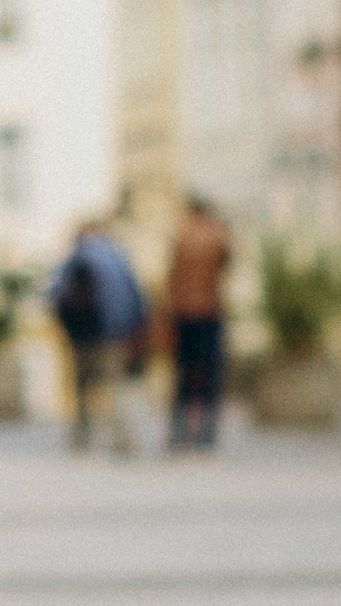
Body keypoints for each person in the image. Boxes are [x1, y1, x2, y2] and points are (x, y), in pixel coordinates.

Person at [48, 217, 148, 453]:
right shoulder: (117, 257)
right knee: (115, 386)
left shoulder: (75, 257)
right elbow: (135, 298)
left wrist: (67, 328)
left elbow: (56, 295)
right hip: (112, 335)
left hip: (81, 335)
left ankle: (80, 440)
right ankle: (121, 439)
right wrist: (131, 330)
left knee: (81, 389)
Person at [167, 193, 232, 450]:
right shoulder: (217, 234)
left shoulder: (180, 235)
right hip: (209, 310)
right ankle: (206, 432)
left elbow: (172, 276)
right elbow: (226, 266)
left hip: (183, 312)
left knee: (183, 373)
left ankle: (179, 432)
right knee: (210, 374)